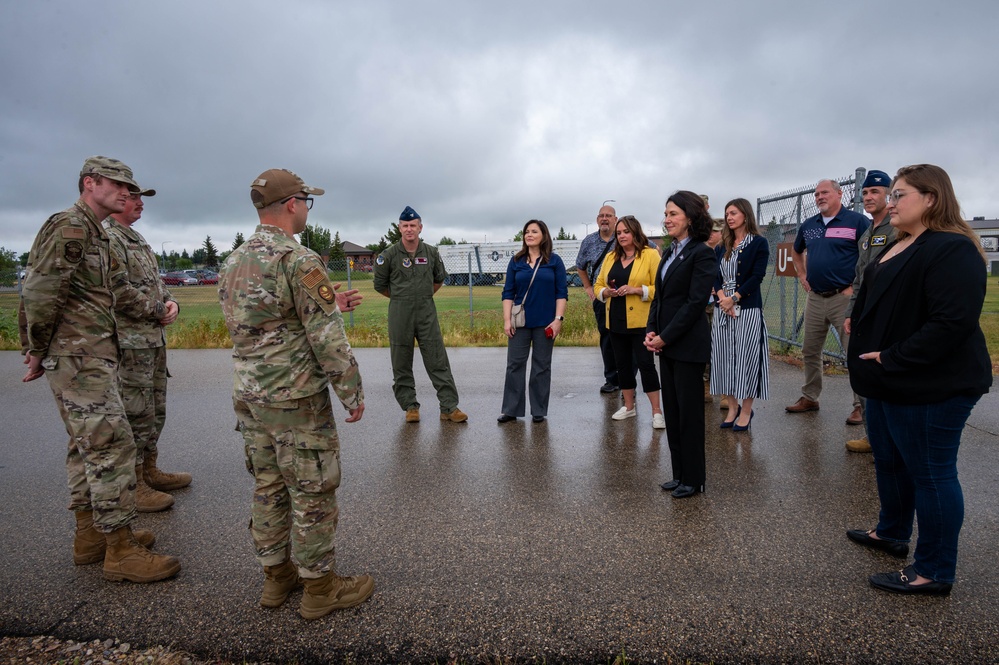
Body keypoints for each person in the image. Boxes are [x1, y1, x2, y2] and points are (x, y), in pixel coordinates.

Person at [219, 168, 372, 619]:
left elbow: (259, 322)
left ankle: (276, 578)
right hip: (294, 397)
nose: (307, 209)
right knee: (313, 489)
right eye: (307, 201)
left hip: (249, 394)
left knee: (268, 485)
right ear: (292, 204)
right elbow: (326, 337)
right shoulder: (298, 259)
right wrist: (352, 391)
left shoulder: (234, 260)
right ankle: (320, 589)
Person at [20, 156, 179, 583]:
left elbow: (113, 290)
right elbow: (39, 289)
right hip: (78, 354)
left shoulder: (96, 234)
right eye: (118, 185)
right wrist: (36, 348)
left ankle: (91, 536)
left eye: (130, 187)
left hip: (92, 352)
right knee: (112, 444)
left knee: (86, 445)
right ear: (90, 183)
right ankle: (120, 550)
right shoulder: (71, 227)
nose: (127, 193)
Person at [846, 164, 991, 596]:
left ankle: (933, 569)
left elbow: (952, 323)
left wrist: (892, 356)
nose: (890, 203)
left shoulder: (952, 248)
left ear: (931, 198)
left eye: (900, 195)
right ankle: (891, 532)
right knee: (890, 461)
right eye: (890, 195)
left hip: (931, 382)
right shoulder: (899, 242)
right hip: (887, 379)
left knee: (931, 473)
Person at [104, 186, 191, 513]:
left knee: (155, 409)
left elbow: (158, 284)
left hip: (152, 342)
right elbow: (117, 289)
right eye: (135, 198)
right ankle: (134, 483)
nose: (140, 204)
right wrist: (157, 309)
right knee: (136, 411)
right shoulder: (111, 239)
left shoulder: (137, 240)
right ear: (117, 201)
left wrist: (172, 303)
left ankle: (150, 469)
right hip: (130, 343)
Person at [645, 191, 716, 498]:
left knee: (689, 415)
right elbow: (660, 298)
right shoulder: (669, 252)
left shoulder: (701, 252)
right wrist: (651, 331)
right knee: (673, 413)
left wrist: (666, 335)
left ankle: (694, 478)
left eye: (673, 213)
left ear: (690, 216)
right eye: (666, 213)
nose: (667, 219)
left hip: (687, 344)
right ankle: (679, 474)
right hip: (666, 343)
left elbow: (695, 303)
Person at [373, 206, 467, 424]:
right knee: (401, 360)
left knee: (437, 359)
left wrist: (422, 296)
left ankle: (449, 407)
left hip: (426, 312)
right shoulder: (388, 256)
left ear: (420, 227)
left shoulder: (431, 253)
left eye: (413, 225)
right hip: (400, 313)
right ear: (399, 228)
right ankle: (410, 406)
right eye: (405, 226)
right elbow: (380, 285)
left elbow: (438, 279)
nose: (409, 229)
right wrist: (401, 298)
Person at [786, 179, 869, 424]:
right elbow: (796, 250)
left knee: (853, 352)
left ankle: (861, 405)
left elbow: (869, 256)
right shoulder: (809, 225)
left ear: (839, 194)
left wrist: (854, 287)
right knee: (810, 350)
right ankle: (810, 396)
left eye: (825, 192)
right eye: (816, 193)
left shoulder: (857, 222)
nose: (819, 197)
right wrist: (802, 274)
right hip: (816, 297)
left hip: (843, 298)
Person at [842, 169, 895, 453]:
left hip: (887, 317)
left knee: (884, 378)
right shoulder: (866, 235)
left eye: (875, 192)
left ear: (889, 194)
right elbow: (859, 280)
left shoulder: (897, 230)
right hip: (864, 317)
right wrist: (851, 312)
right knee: (864, 375)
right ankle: (874, 437)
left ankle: (888, 443)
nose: (868, 197)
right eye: (864, 193)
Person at [593, 215, 664, 428]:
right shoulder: (611, 257)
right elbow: (597, 285)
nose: (622, 236)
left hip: (641, 322)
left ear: (635, 232)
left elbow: (660, 288)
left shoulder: (650, 255)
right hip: (615, 319)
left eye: (626, 232)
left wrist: (636, 290)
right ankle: (629, 407)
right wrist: (606, 292)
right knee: (621, 365)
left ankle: (656, 412)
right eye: (619, 233)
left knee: (646, 365)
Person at [498, 220, 568, 423]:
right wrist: (506, 320)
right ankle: (511, 410)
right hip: (519, 322)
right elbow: (508, 292)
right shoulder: (516, 261)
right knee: (514, 365)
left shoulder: (554, 261)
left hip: (545, 323)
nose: (529, 234)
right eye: (527, 232)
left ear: (544, 235)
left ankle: (538, 410)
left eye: (534, 231)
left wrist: (558, 320)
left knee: (541, 366)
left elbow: (561, 293)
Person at [711, 199, 771, 431]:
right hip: (722, 309)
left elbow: (757, 277)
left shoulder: (759, 243)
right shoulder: (721, 246)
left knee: (747, 359)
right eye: (727, 213)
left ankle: (746, 410)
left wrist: (734, 298)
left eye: (733, 213)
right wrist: (721, 298)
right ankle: (732, 408)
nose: (729, 217)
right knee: (724, 358)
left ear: (745, 215)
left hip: (746, 309)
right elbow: (715, 275)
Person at [575, 205, 620, 394]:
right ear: (597, 220)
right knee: (607, 337)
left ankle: (627, 380)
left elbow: (652, 249)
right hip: (601, 298)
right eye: (601, 216)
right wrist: (588, 287)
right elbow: (580, 266)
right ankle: (611, 379)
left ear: (615, 219)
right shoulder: (589, 241)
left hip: (626, 296)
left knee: (628, 339)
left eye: (608, 216)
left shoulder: (625, 235)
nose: (604, 219)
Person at [704, 218, 724, 405]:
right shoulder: (700, 250)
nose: (711, 234)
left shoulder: (727, 252)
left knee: (721, 346)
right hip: (703, 305)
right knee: (704, 344)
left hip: (722, 304)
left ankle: (725, 391)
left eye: (715, 231)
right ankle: (705, 385)